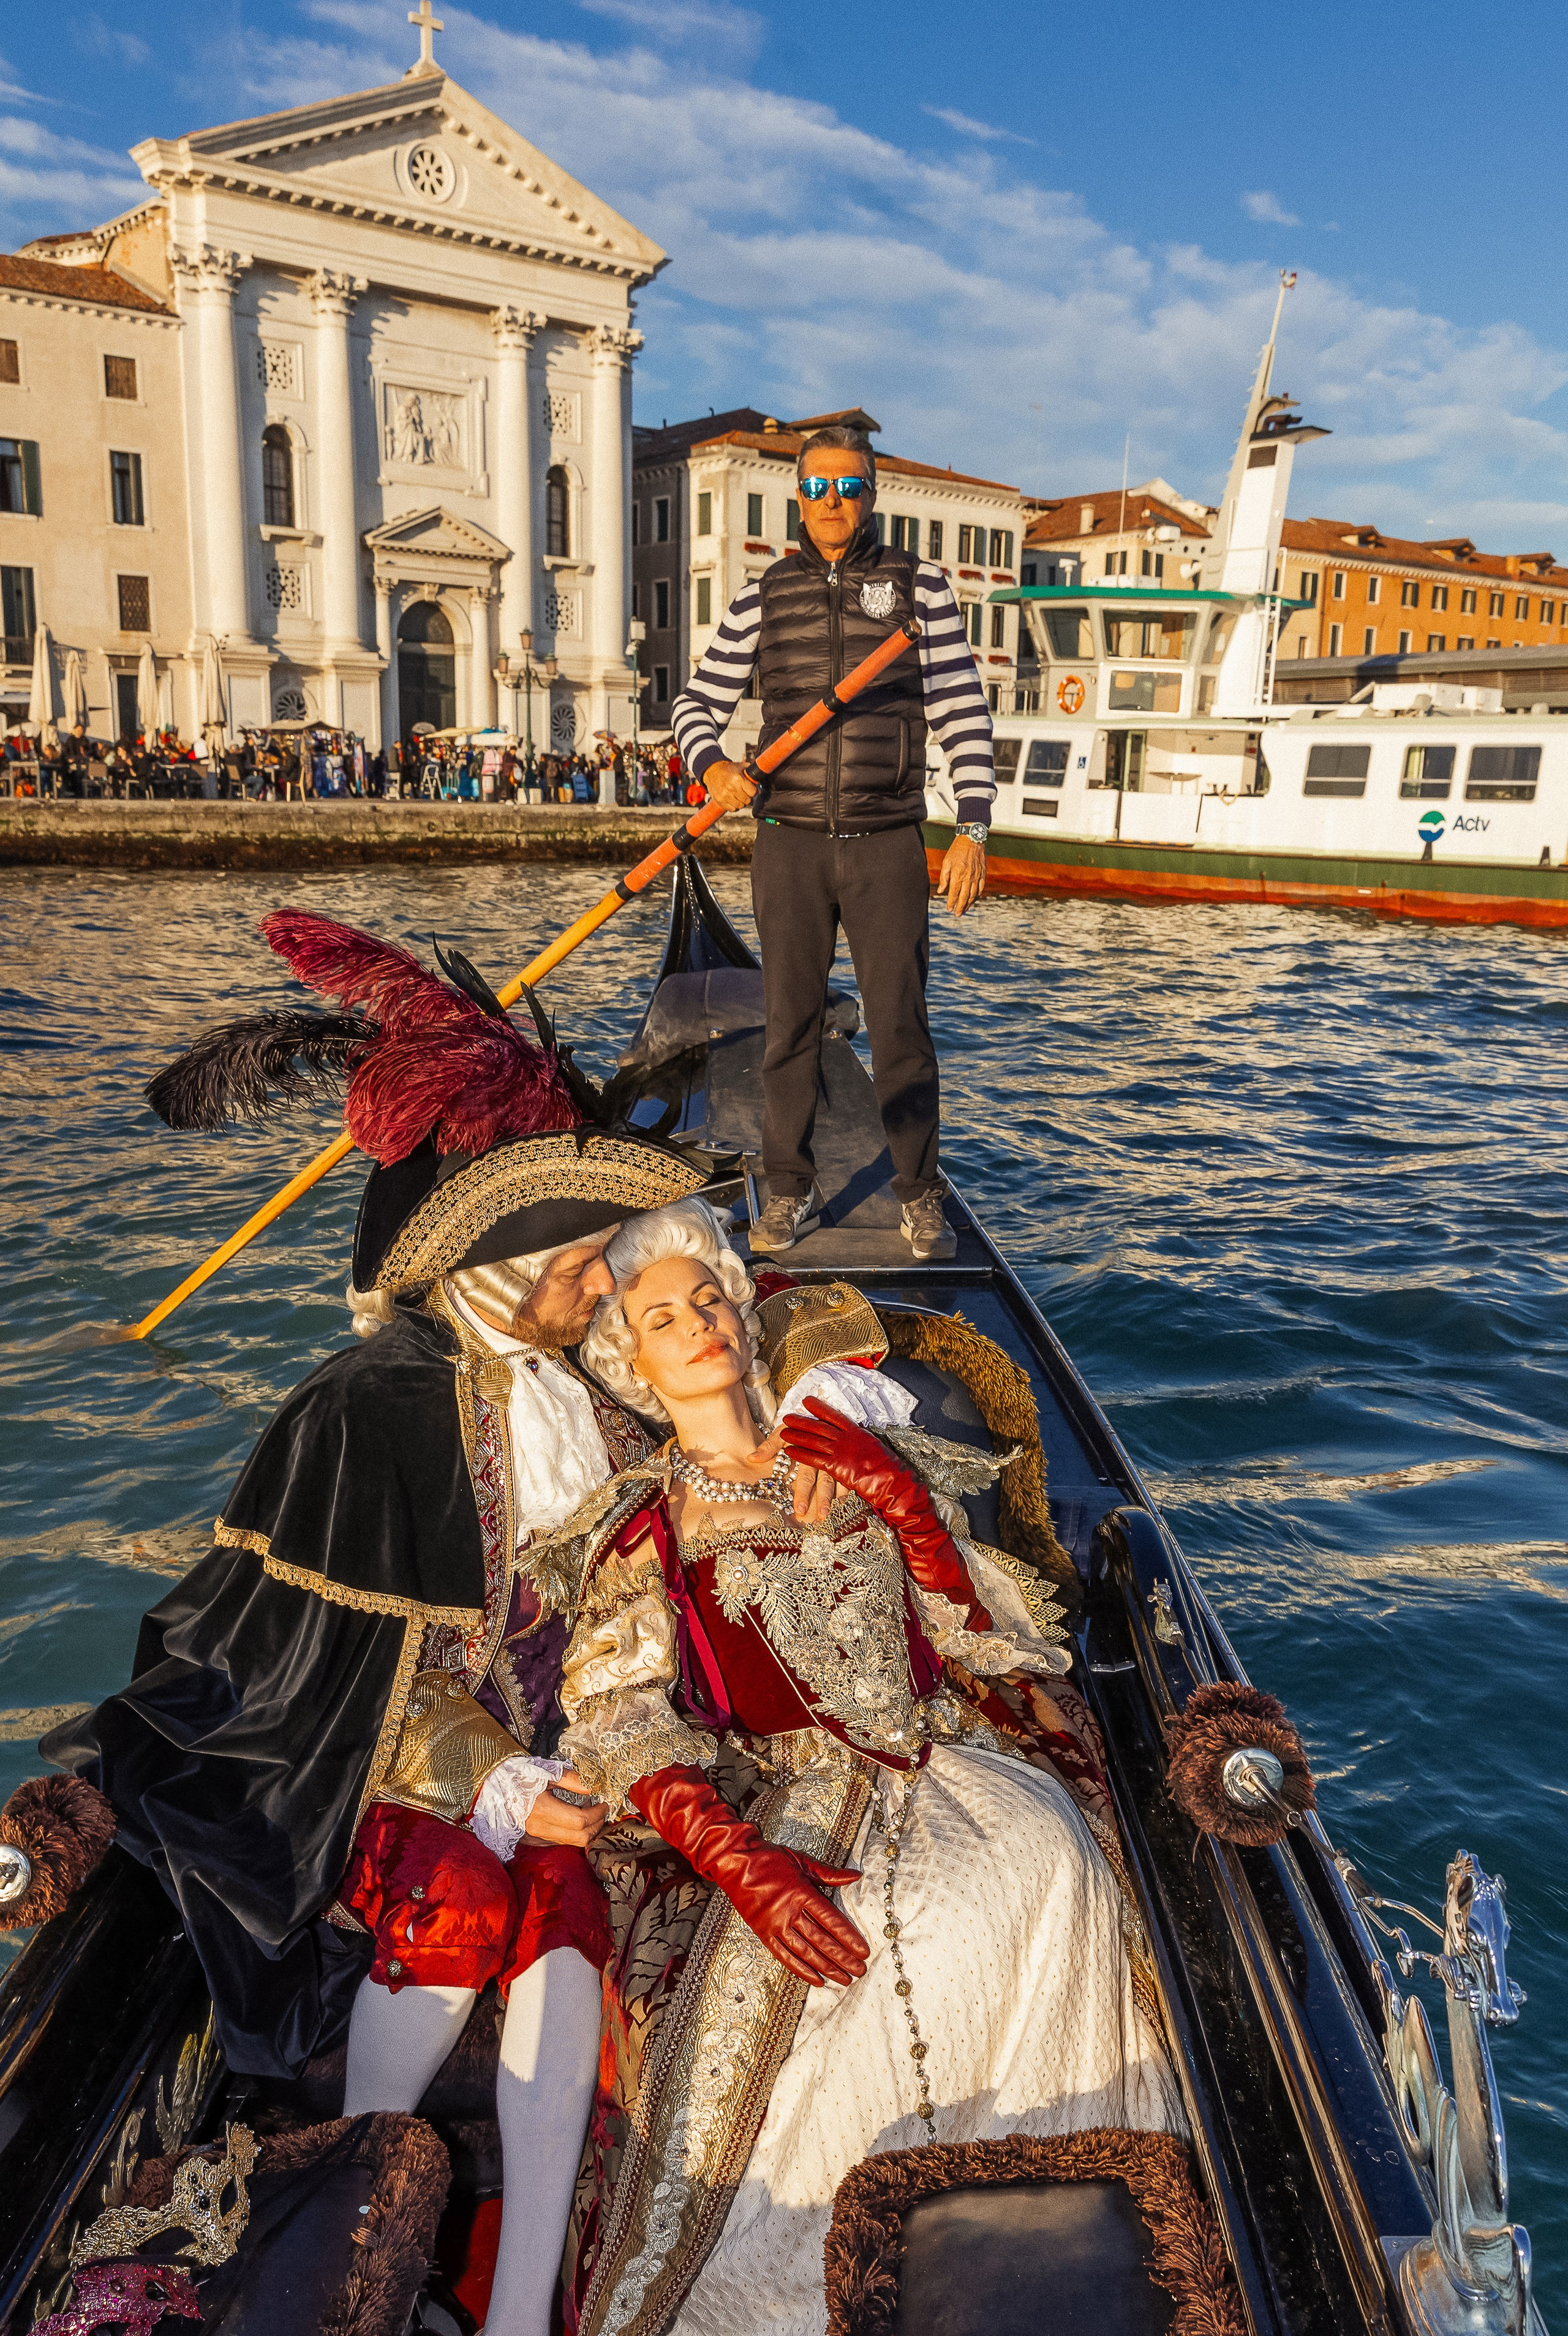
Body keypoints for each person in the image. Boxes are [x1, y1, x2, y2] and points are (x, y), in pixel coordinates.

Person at [45, 910, 724, 2336]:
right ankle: (349, 2206)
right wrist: (491, 1773)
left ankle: (526, 2302)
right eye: (582, 1261)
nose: (601, 1284)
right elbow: (328, 1670)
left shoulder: (588, 1397)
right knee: (464, 1899)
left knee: (565, 1922)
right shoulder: (367, 1408)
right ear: (491, 1259)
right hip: (383, 1770)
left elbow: (631, 1577)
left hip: (571, 1753)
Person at [554, 1197, 1182, 2334]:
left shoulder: (862, 1452)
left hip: (942, 1760)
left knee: (1046, 1859)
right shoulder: (644, 1523)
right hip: (780, 1805)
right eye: (663, 1316)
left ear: (746, 1318)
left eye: (711, 1298)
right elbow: (619, 1714)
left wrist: (912, 1515)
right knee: (844, 1978)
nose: (698, 1322)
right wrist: (738, 1862)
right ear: (632, 1361)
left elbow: (998, 1645)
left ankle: (1045, 2248)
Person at [671, 425, 994, 1264]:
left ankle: (920, 1194)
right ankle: (785, 1187)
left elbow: (961, 710)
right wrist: (712, 768)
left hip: (888, 840)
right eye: (817, 489)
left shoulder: (920, 588)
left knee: (901, 1028)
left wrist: (972, 826)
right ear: (798, 498)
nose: (832, 503)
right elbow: (693, 705)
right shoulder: (762, 596)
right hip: (791, 841)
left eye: (848, 488)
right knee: (790, 1026)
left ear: (873, 495)